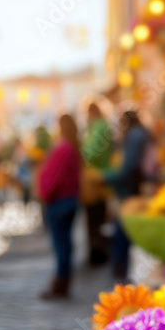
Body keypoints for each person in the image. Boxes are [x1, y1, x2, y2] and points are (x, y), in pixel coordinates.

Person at [37, 114, 82, 299]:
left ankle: (61, 281)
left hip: (60, 201)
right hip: (70, 199)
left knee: (60, 243)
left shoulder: (63, 148)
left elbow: (54, 177)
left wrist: (45, 194)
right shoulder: (72, 147)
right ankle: (63, 279)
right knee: (65, 242)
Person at [103, 111, 149, 282]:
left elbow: (128, 167)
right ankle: (123, 267)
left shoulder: (135, 135)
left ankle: (121, 267)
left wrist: (106, 178)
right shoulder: (140, 133)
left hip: (132, 189)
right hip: (136, 187)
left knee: (123, 228)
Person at [81, 103, 113, 266]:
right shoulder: (98, 126)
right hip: (99, 177)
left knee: (96, 218)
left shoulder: (99, 126)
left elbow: (92, 152)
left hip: (97, 178)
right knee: (98, 217)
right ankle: (99, 251)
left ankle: (99, 252)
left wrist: (80, 155)